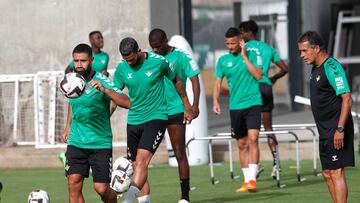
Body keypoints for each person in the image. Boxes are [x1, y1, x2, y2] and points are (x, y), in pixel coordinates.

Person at [113, 37, 194, 203]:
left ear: (138, 51)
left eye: (132, 59)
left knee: (142, 161)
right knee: (136, 165)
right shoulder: (121, 69)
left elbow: (176, 79)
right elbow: (115, 96)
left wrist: (187, 105)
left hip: (156, 117)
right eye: (126, 60)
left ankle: (127, 201)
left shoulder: (159, 62)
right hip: (134, 120)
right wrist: (105, 117)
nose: (129, 63)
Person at [60, 43, 131, 203]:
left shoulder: (102, 80)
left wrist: (105, 90)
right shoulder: (72, 80)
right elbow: (72, 103)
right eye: (76, 61)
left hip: (100, 143)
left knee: (101, 188)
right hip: (76, 141)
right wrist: (67, 126)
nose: (79, 65)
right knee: (73, 183)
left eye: (83, 61)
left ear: (91, 60)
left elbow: (127, 103)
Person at [298, 31, 354, 203]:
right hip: (325, 130)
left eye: (304, 51)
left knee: (336, 172)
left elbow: (347, 99)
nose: (302, 55)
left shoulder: (332, 67)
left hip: (336, 128)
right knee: (327, 173)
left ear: (316, 48)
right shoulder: (315, 69)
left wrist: (340, 129)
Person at [148, 28, 200, 203]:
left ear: (165, 41)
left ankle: (185, 197)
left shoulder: (181, 56)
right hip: (154, 111)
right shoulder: (150, 57)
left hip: (176, 110)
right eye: (152, 47)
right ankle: (142, 197)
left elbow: (194, 80)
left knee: (179, 152)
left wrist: (194, 106)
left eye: (157, 46)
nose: (154, 50)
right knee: (144, 155)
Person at [213, 27, 262, 193]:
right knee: (241, 144)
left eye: (233, 43)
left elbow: (258, 76)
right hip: (236, 107)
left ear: (241, 41)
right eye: (227, 43)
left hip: (253, 102)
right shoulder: (222, 60)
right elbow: (218, 82)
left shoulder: (253, 54)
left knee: (253, 139)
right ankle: (246, 180)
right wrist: (215, 101)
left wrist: (245, 56)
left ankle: (253, 181)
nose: (230, 46)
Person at [239, 20, 288, 178]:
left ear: (248, 32)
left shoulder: (243, 49)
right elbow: (285, 68)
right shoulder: (268, 48)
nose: (240, 36)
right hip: (266, 87)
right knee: (268, 128)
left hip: (251, 89)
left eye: (242, 32)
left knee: (249, 131)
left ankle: (256, 164)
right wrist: (273, 78)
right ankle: (276, 165)